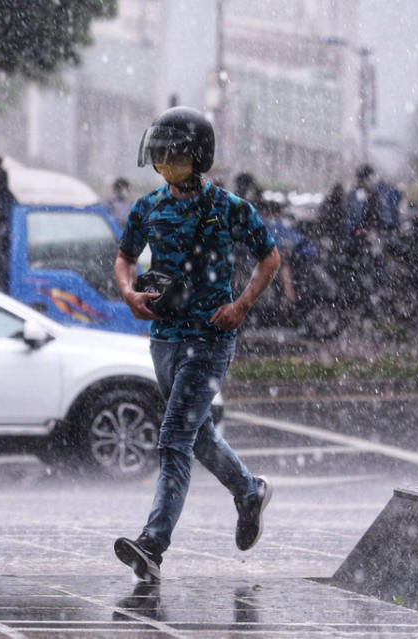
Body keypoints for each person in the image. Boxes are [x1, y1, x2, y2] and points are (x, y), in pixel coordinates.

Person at [113, 106, 281, 582]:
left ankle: (152, 545)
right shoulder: (148, 208)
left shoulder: (229, 208)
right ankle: (249, 493)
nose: (165, 163)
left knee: (174, 441)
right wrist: (129, 294)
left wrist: (241, 305)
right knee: (199, 435)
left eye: (175, 154)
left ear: (199, 156)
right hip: (164, 338)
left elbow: (270, 258)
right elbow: (124, 258)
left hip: (209, 340)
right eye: (160, 154)